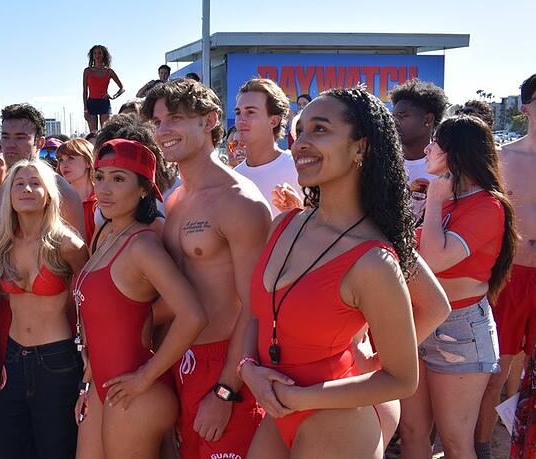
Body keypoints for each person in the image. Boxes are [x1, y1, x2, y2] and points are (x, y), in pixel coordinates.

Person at [240, 87, 419, 458]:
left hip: (338, 422)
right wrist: (247, 369)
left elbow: (403, 378)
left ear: (360, 148)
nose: (300, 143)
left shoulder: (373, 259)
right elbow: (258, 315)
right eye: (300, 130)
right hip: (278, 413)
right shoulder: (284, 225)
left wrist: (302, 397)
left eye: (319, 130)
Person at [141, 78, 271, 458]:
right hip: (176, 358)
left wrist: (226, 389)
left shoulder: (239, 201)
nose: (164, 130)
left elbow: (255, 307)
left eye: (176, 118)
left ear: (210, 121)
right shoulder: (176, 198)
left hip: (225, 363)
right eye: (159, 121)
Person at [74, 139, 207, 457]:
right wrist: (88, 382)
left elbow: (193, 314)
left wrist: (144, 377)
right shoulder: (106, 234)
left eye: (118, 179)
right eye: (100, 177)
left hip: (137, 392)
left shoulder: (142, 245)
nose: (104, 189)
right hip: (105, 385)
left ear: (144, 188)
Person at [401, 115, 516, 459]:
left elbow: (434, 260)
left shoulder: (488, 206)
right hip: (417, 323)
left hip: (460, 330)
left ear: (455, 152)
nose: (428, 148)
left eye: (435, 142)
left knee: (454, 442)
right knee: (411, 432)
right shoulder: (449, 199)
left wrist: (434, 200)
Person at [0, 158, 88, 458]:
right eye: (19, 183)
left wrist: (89, 366)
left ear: (49, 194)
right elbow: (5, 301)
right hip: (15, 355)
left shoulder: (68, 244)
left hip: (57, 359)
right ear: (9, 194)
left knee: (56, 447)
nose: (27, 189)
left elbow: (89, 305)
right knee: (13, 445)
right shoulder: (1, 242)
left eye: (36, 183)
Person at [488, 73, 536, 459]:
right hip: (511, 275)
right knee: (496, 369)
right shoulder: (503, 159)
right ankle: (483, 443)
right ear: (526, 108)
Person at [0, 103, 86, 237]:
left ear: (39, 143)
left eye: (20, 137)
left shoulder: (63, 194)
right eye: (5, 137)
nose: (10, 144)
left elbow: (79, 254)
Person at [234, 78, 303, 216]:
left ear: (274, 121)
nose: (241, 119)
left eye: (250, 112)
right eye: (238, 112)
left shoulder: (298, 167)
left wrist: (299, 211)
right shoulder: (234, 177)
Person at [390, 79, 449, 219]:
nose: (394, 122)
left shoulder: (448, 168)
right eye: (393, 117)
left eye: (403, 116)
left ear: (427, 120)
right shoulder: (382, 161)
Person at [56, 139, 98, 243]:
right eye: (61, 159)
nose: (64, 164)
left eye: (71, 158)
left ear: (88, 162)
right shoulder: (56, 200)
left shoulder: (102, 199)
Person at [83, 45, 125, 133]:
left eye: (99, 53)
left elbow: (122, 88)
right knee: (93, 133)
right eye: (95, 53)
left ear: (104, 55)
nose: (97, 55)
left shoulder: (109, 71)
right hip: (91, 103)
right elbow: (85, 92)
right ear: (92, 56)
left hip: (104, 103)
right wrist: (85, 109)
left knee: (106, 132)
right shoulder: (87, 71)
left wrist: (113, 96)